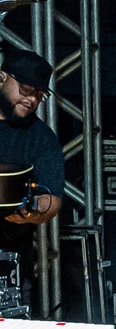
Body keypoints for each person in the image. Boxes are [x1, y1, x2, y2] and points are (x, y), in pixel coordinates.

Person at [0, 49, 63, 315]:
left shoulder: (42, 138)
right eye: (26, 89)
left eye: (39, 94)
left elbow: (53, 200)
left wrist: (35, 211)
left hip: (10, 264)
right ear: (2, 78)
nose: (32, 100)